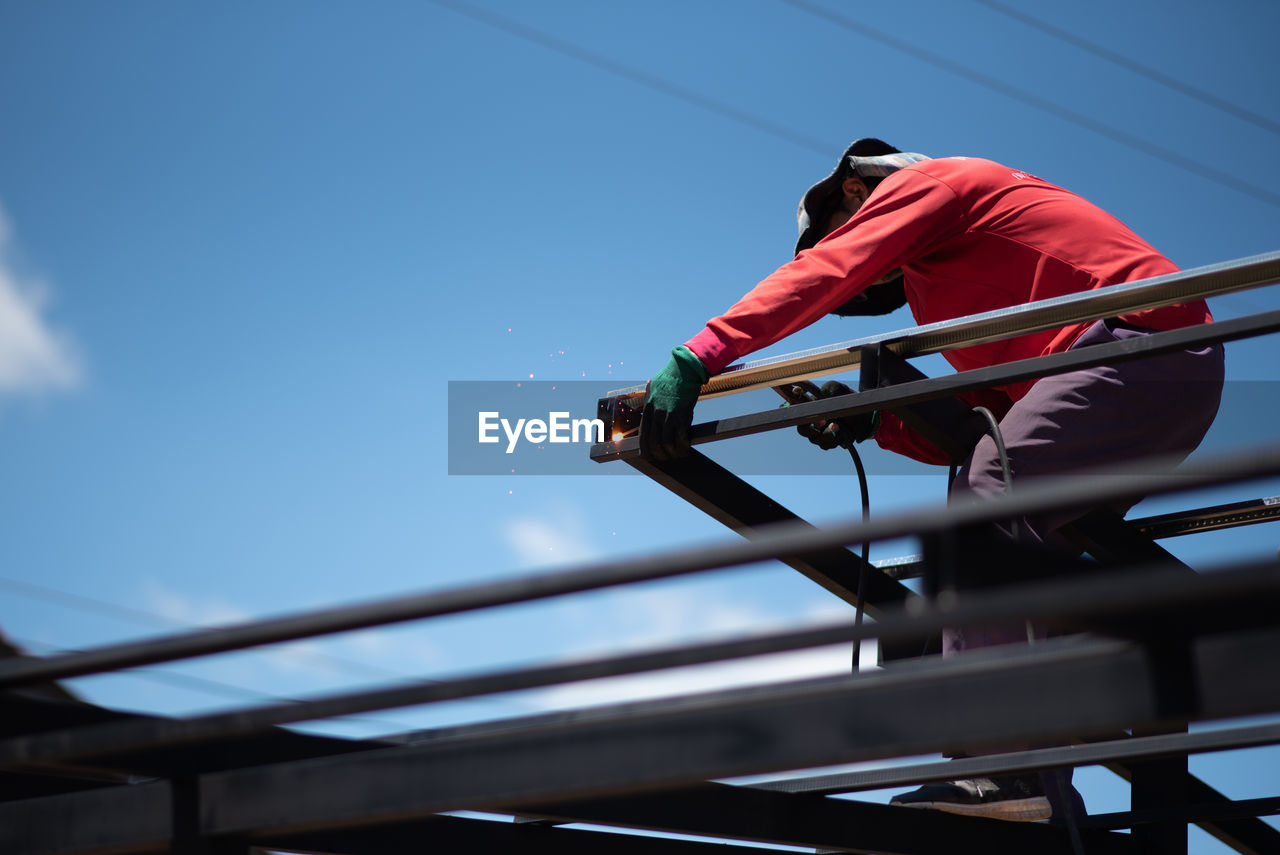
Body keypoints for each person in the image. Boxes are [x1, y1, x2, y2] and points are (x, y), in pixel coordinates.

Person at [639, 138, 1224, 822]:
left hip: (1146, 342)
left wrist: (703, 352)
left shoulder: (937, 185)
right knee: (1000, 514)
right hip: (1142, 371)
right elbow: (1002, 405)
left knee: (989, 491)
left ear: (856, 194)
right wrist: (874, 425)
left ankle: (999, 768)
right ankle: (1037, 796)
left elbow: (833, 268)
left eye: (850, 227)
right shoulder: (942, 284)